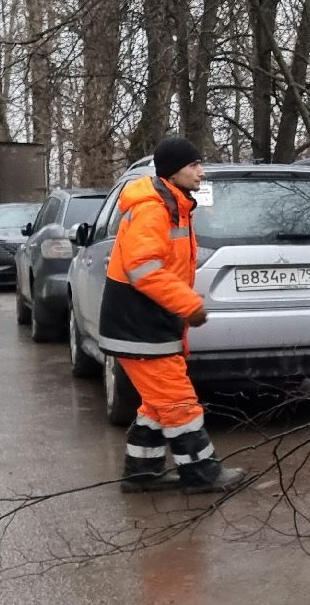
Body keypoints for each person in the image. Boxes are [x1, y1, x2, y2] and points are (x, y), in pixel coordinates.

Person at [100, 137, 243, 494]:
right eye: (194, 165)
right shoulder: (154, 208)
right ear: (173, 171)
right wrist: (188, 304)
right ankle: (202, 474)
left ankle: (142, 474)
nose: (201, 172)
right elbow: (143, 269)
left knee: (157, 403)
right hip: (139, 324)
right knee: (178, 401)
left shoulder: (173, 204)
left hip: (148, 322)